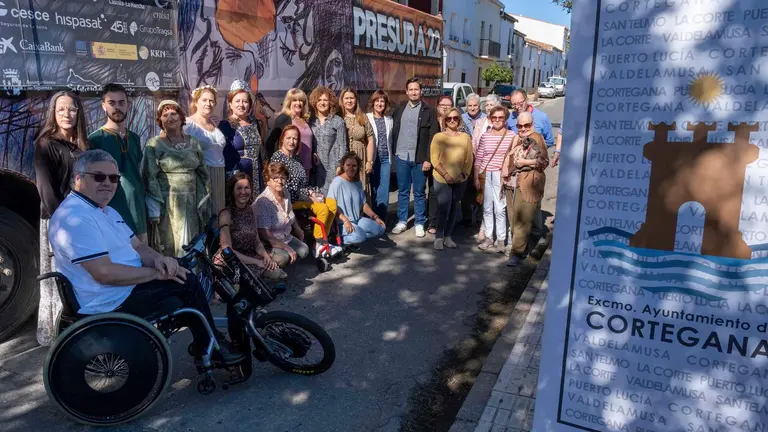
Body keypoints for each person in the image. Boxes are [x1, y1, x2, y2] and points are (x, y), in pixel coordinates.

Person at [48, 149, 243, 364]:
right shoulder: (75, 217)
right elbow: (104, 274)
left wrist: (160, 260)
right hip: (108, 300)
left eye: (113, 178)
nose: (107, 183)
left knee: (183, 266)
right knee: (187, 282)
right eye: (99, 177)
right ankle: (210, 346)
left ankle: (204, 336)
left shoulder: (106, 211)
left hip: (121, 287)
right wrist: (155, 274)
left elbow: (138, 247)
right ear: (78, 178)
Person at [33, 90, 89, 346]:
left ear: (79, 113)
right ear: (53, 114)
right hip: (59, 222)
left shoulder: (82, 144)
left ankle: (77, 328)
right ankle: (56, 336)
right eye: (61, 109)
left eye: (72, 109)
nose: (67, 114)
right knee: (60, 279)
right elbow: (47, 191)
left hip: (82, 219)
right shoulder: (45, 144)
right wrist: (63, 225)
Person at [142, 100, 213, 257]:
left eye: (173, 113)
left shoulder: (193, 142)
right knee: (169, 245)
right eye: (164, 115)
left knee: (193, 244)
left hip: (192, 203)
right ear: (160, 120)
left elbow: (203, 173)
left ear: (181, 117)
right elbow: (149, 176)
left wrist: (203, 199)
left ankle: (193, 278)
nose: (170, 118)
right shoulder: (154, 144)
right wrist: (154, 208)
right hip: (168, 206)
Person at [270, 125, 342, 257]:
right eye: (289, 138)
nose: (292, 142)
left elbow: (304, 183)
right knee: (322, 209)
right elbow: (286, 188)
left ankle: (320, 242)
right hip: (290, 199)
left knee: (331, 203)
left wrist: (313, 192)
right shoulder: (278, 158)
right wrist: (309, 196)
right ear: (282, 139)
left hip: (303, 195)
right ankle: (319, 242)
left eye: (295, 139)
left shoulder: (296, 159)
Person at [88, 83, 147, 243]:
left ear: (128, 105)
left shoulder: (135, 138)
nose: (117, 107)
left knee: (143, 256)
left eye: (122, 103)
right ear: (103, 106)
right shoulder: (95, 139)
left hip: (138, 209)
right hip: (113, 209)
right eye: (112, 103)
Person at [390, 77, 439, 238]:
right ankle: (402, 221)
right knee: (403, 191)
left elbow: (433, 137)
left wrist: (428, 159)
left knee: (418, 192)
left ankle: (419, 222)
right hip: (402, 156)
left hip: (419, 159)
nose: (413, 92)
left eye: (416, 89)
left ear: (421, 91)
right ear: (406, 92)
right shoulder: (400, 108)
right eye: (410, 89)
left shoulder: (429, 111)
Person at [217, 172, 286, 281]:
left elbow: (257, 242)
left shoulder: (251, 210)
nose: (243, 192)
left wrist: (266, 257)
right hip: (234, 260)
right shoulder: (226, 214)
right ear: (232, 191)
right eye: (239, 188)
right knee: (275, 272)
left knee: (281, 258)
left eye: (246, 188)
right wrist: (257, 262)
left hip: (251, 254)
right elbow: (227, 250)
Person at [502, 111, 549, 266]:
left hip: (528, 184)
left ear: (532, 124)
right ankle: (524, 247)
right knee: (514, 219)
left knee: (522, 220)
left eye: (526, 125)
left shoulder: (536, 137)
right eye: (520, 126)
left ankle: (517, 253)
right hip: (511, 184)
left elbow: (543, 161)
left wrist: (524, 162)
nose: (523, 129)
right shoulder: (517, 138)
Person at [507, 88, 553, 243]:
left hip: (534, 175)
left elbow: (549, 140)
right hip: (516, 176)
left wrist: (535, 153)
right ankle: (521, 241)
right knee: (518, 211)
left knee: (534, 207)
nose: (517, 106)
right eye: (514, 104)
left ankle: (535, 236)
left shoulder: (541, 117)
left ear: (526, 99)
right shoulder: (511, 119)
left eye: (519, 103)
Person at [430, 108, 473, 251]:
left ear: (459, 119)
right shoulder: (438, 137)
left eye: (455, 118)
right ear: (445, 120)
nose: (452, 120)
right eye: (449, 118)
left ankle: (448, 236)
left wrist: (463, 175)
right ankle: (439, 237)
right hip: (442, 179)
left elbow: (469, 159)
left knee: (455, 207)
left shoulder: (466, 137)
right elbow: (434, 160)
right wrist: (446, 175)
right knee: (443, 208)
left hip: (460, 179)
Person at [253, 162, 310, 269]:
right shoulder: (263, 201)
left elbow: (290, 213)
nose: (280, 181)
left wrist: (297, 228)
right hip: (269, 242)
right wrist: (287, 248)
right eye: (275, 178)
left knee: (304, 250)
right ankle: (273, 271)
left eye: (283, 177)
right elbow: (265, 234)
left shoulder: (285, 192)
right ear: (267, 181)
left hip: (285, 236)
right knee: (284, 257)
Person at [475, 106, 515, 253]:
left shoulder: (511, 135)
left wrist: (507, 175)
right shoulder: (485, 136)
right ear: (490, 119)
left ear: (505, 119)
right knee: (486, 207)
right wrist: (476, 176)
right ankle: (488, 237)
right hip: (485, 174)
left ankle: (500, 239)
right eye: (494, 118)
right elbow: (479, 158)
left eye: (501, 118)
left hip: (500, 175)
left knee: (500, 208)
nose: (497, 120)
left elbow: (512, 158)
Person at [219, 80, 266, 195]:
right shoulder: (225, 125)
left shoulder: (255, 124)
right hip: (238, 176)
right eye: (237, 101)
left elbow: (259, 152)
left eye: (245, 101)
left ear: (249, 104)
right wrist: (236, 179)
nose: (241, 105)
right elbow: (226, 156)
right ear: (230, 104)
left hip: (257, 174)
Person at [328, 153, 386, 245]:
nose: (351, 168)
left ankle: (355, 236)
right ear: (343, 166)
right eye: (348, 165)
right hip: (342, 223)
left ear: (358, 167)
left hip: (357, 220)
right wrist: (345, 220)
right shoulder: (337, 182)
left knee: (380, 229)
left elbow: (363, 204)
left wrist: (375, 217)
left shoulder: (358, 182)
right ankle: (337, 240)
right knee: (360, 236)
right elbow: (330, 206)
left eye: (354, 165)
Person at [185, 85, 227, 214]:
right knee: (204, 214)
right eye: (204, 100)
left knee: (218, 213)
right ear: (196, 102)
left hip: (219, 173)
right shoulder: (188, 124)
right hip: (202, 175)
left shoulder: (213, 124)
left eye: (211, 101)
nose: (208, 104)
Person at [467, 94, 502, 240]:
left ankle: (498, 231)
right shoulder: (480, 122)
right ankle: (484, 226)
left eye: (491, 105)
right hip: (481, 166)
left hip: (497, 166)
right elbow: (474, 143)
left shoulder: (502, 123)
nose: (488, 108)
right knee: (483, 198)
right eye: (486, 105)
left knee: (497, 200)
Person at [309, 86, 348, 194]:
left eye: (325, 100)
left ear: (330, 102)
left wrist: (340, 166)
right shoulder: (310, 121)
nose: (322, 103)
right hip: (314, 169)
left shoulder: (338, 121)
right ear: (315, 102)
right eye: (319, 100)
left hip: (332, 168)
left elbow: (343, 146)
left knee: (331, 200)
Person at [265, 88, 312, 171]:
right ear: (289, 102)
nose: (298, 103)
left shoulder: (306, 120)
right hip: (288, 167)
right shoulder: (283, 118)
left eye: (301, 100)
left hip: (307, 167)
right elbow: (270, 142)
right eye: (294, 100)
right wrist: (274, 164)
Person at [339, 87, 374, 197]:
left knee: (360, 189)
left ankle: (362, 212)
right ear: (342, 100)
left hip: (360, 158)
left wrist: (369, 161)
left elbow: (370, 139)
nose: (349, 101)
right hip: (343, 159)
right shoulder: (338, 118)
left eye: (352, 98)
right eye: (346, 98)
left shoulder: (363, 118)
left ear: (356, 100)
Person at [365, 90, 394, 220]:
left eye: (382, 101)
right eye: (377, 100)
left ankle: (382, 217)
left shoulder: (389, 119)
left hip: (385, 158)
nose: (380, 103)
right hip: (372, 159)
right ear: (373, 102)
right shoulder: (366, 118)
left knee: (384, 187)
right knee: (373, 187)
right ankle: (373, 215)